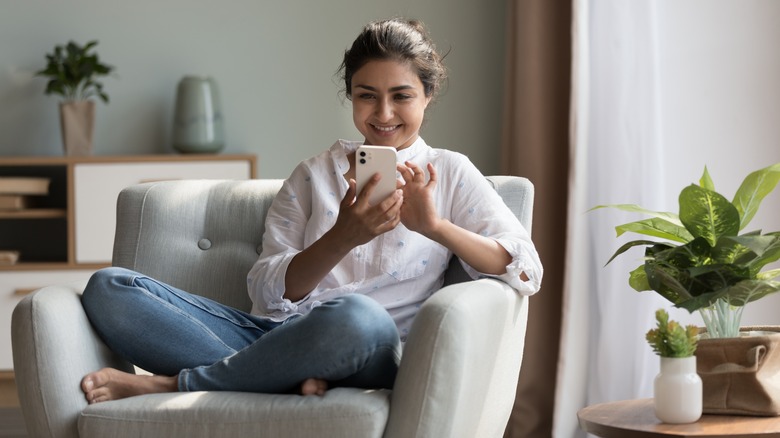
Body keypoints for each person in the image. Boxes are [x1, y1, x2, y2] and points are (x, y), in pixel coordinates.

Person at [80, 17, 543, 405]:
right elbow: (266, 294)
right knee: (110, 287)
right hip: (274, 337)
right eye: (367, 95)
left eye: (401, 96)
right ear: (350, 95)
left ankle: (174, 384)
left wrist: (435, 227)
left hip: (369, 344)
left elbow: (524, 270)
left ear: (427, 96)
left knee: (354, 316)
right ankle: (282, 376)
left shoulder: (451, 172)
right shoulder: (312, 175)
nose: (383, 113)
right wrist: (344, 235)